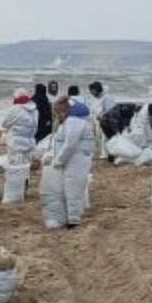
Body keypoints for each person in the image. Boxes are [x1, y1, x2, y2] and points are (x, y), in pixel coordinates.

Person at [40, 96, 95, 229]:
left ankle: (73, 220)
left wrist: (58, 161)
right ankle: (71, 217)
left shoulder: (73, 122)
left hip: (76, 160)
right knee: (70, 188)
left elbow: (70, 144)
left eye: (57, 113)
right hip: (73, 160)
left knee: (73, 188)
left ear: (63, 111)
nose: (57, 116)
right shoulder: (70, 122)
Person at [2, 88, 38, 165]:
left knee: (15, 167)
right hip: (30, 142)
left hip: (15, 144)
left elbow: (4, 124)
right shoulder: (34, 110)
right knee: (27, 167)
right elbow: (35, 126)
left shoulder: (14, 109)